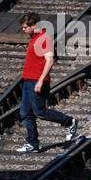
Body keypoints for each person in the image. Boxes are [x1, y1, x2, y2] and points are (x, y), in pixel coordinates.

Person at [17, 12, 77, 154]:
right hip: (28, 80)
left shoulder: (43, 39)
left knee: (40, 112)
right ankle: (32, 143)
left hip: (37, 81)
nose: (23, 30)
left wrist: (40, 81)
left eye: (25, 27)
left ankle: (69, 122)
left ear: (33, 25)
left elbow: (50, 60)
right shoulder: (34, 37)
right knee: (25, 112)